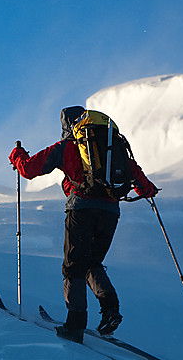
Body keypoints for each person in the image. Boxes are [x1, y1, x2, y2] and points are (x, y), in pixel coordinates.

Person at [9, 106, 159, 343]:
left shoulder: (68, 146)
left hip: (81, 208)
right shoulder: (110, 144)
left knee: (73, 266)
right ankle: (110, 310)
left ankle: (75, 324)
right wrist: (146, 189)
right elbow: (136, 174)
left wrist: (17, 156)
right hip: (110, 210)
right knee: (92, 263)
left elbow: (28, 170)